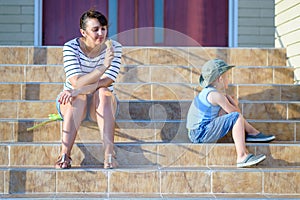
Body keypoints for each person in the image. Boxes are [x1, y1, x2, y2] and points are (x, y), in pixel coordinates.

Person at [55, 9, 122, 169]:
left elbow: (108, 80)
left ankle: (109, 155)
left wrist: (80, 89)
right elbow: (76, 82)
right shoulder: (71, 47)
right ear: (83, 32)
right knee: (78, 97)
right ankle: (65, 153)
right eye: (95, 29)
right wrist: (103, 66)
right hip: (72, 102)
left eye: (103, 28)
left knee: (104, 93)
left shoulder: (114, 48)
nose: (101, 33)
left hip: (100, 104)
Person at [186, 59, 275, 168]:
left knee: (226, 113)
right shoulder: (215, 95)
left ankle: (252, 132)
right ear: (220, 79)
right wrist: (235, 103)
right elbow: (236, 114)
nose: (229, 79)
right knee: (236, 116)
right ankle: (242, 156)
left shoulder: (209, 93)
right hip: (200, 133)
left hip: (195, 133)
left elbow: (221, 116)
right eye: (227, 77)